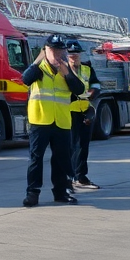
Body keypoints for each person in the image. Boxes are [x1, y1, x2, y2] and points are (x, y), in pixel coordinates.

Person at [21, 35, 85, 206]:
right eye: (53, 50)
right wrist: (38, 60)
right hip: (40, 120)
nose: (58, 54)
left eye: (60, 50)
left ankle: (60, 192)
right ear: (45, 51)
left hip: (62, 121)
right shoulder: (38, 68)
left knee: (61, 158)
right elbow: (25, 79)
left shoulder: (66, 70)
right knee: (36, 158)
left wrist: (67, 73)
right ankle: (33, 193)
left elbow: (79, 89)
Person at [66, 41, 101, 190]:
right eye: (70, 54)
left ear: (80, 54)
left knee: (83, 145)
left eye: (76, 53)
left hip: (85, 109)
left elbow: (96, 84)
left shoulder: (87, 69)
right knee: (72, 146)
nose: (73, 56)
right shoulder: (63, 70)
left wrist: (93, 93)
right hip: (69, 111)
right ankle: (71, 177)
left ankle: (81, 176)